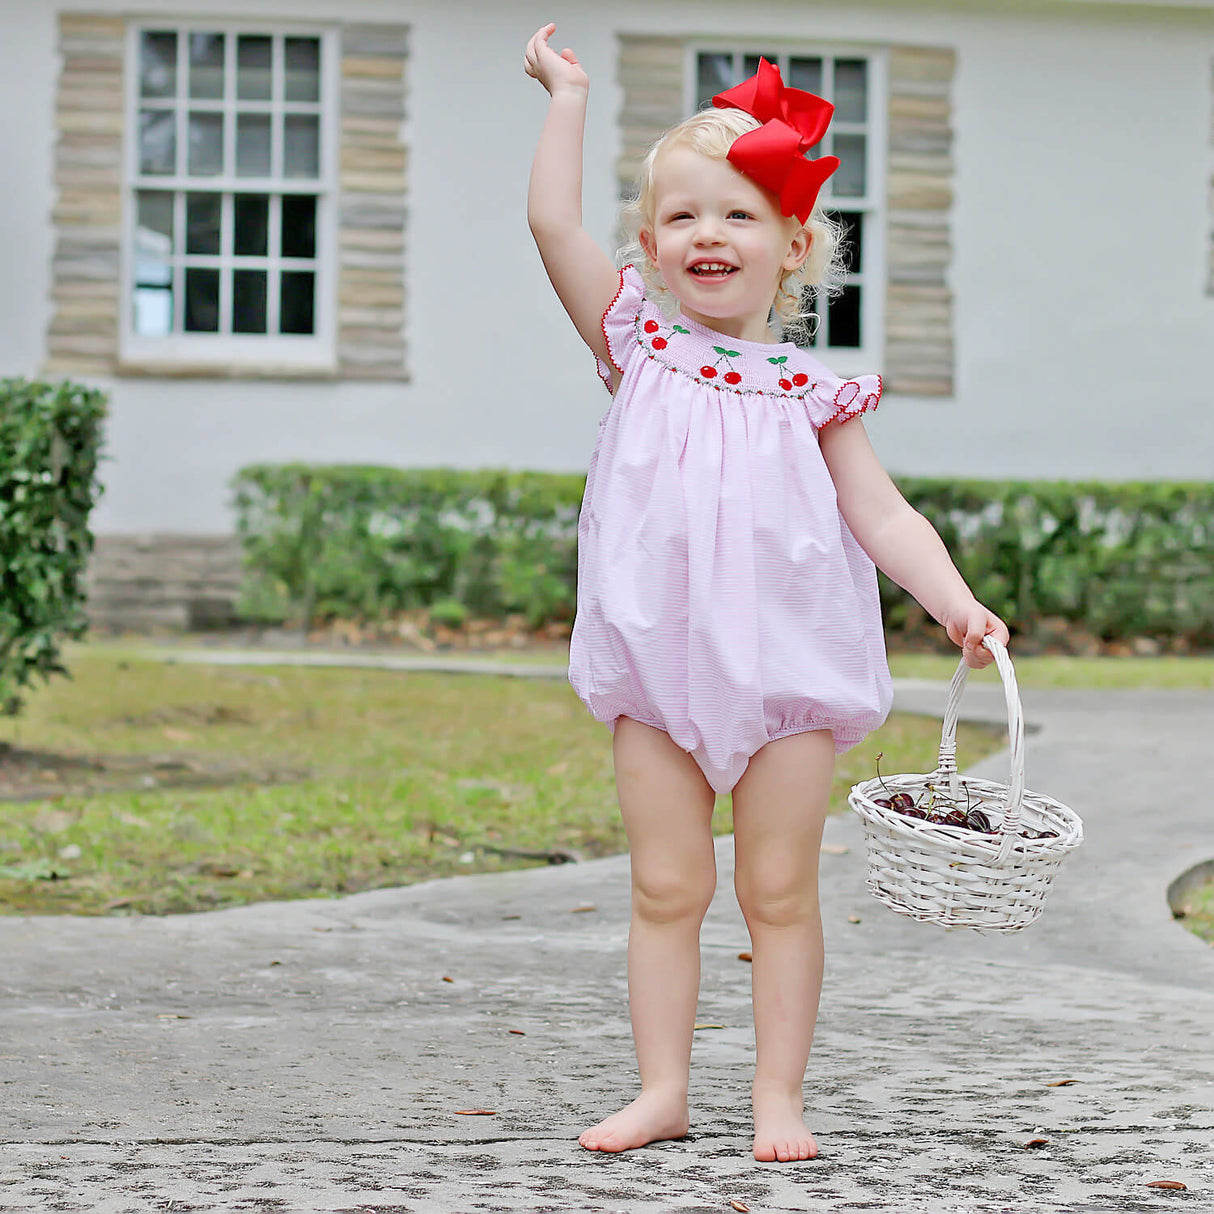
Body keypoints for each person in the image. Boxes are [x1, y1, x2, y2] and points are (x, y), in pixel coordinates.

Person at [524, 23, 1009, 1163]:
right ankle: (661, 1087)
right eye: (684, 214)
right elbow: (550, 221)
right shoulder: (634, 343)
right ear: (646, 245)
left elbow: (881, 514)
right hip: (657, 665)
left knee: (779, 888)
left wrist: (953, 600)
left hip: (787, 673)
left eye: (738, 214)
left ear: (790, 246)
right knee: (662, 882)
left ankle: (777, 1095)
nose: (708, 232)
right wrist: (567, 97)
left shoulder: (811, 391)